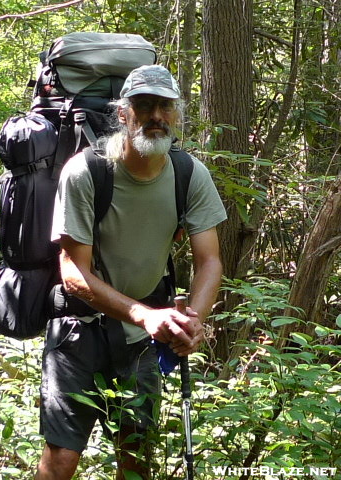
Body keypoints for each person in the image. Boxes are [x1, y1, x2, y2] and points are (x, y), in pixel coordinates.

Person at [35, 64, 227, 480]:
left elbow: (209, 260)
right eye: (144, 105)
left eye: (165, 106)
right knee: (62, 459)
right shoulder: (87, 171)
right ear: (123, 113)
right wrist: (146, 315)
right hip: (77, 330)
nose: (156, 115)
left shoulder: (189, 174)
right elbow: (72, 272)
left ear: (176, 114)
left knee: (136, 457)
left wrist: (192, 321)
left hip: (141, 339)